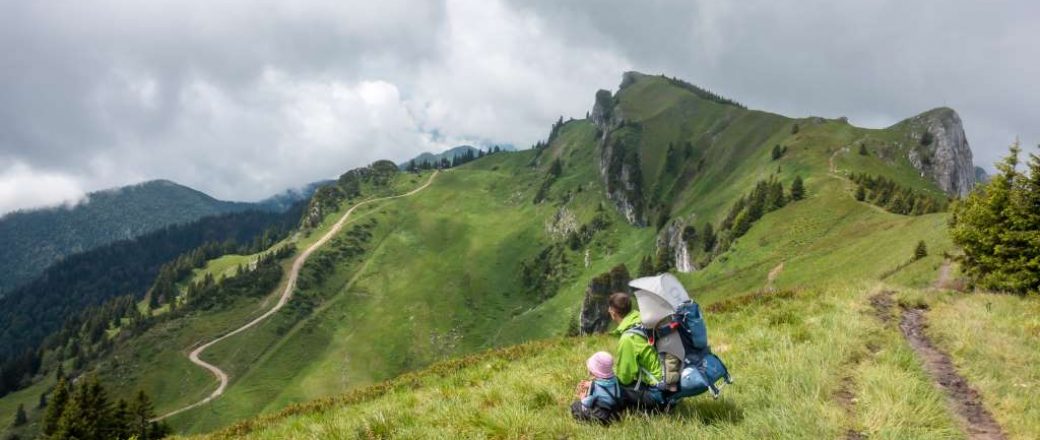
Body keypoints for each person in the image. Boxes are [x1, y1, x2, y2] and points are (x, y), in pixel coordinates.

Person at [608, 292, 666, 410]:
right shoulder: (643, 320)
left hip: (659, 393)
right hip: (673, 383)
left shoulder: (628, 338)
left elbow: (625, 378)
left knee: (613, 389)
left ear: (613, 311)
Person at [570, 351, 623, 425]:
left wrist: (582, 398)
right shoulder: (615, 380)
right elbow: (603, 387)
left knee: (575, 406)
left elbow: (585, 406)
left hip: (602, 417)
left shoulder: (594, 388)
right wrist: (591, 383)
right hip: (615, 412)